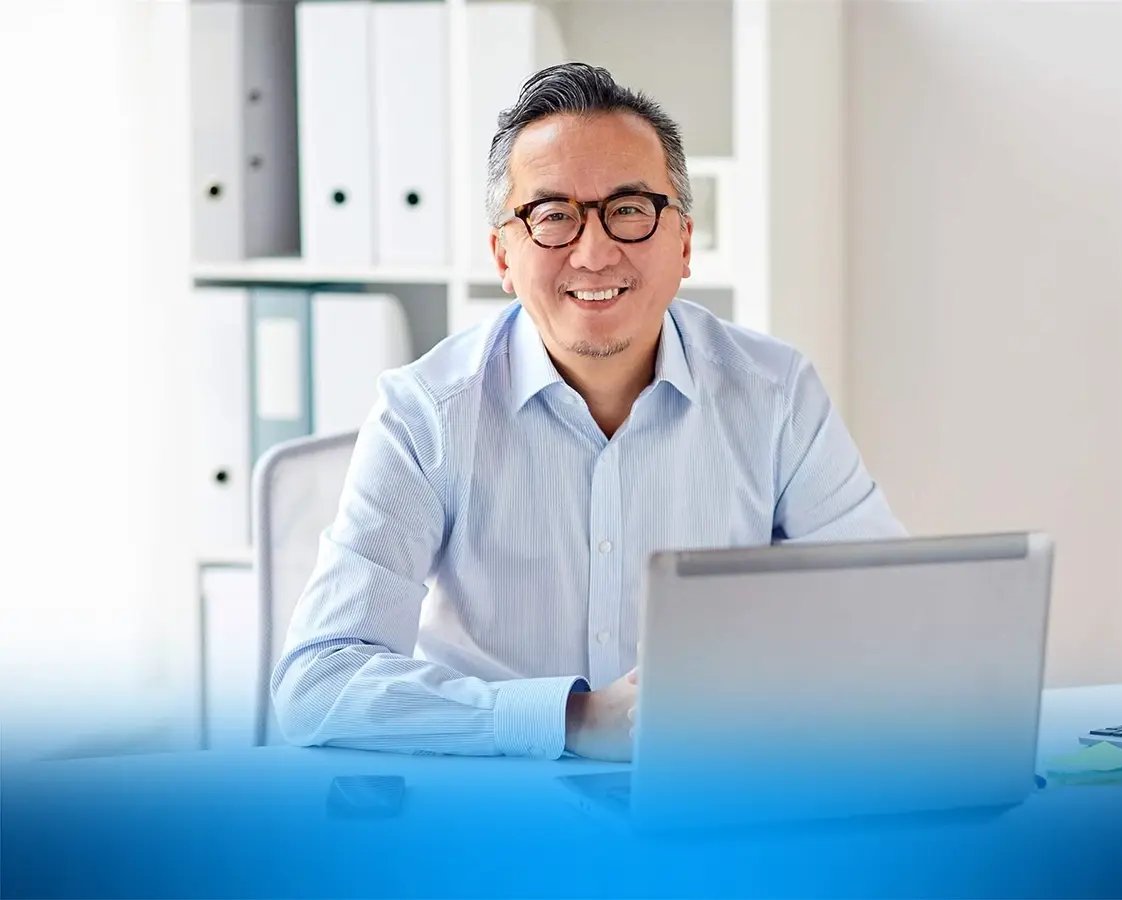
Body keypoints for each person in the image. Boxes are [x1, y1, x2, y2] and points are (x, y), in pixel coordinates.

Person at [271, 63, 905, 763]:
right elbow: (319, 682)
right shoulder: (425, 414)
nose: (595, 252)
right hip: (494, 808)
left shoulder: (777, 395)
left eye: (631, 209)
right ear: (503, 257)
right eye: (553, 217)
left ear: (685, 243)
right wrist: (571, 719)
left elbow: (882, 623)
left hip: (714, 797)